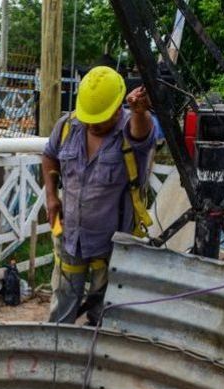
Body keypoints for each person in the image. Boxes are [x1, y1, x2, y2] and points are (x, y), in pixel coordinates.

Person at [43, 65, 155, 325]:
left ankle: (95, 356)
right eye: (88, 118)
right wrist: (51, 195)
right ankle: (57, 355)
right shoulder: (68, 126)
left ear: (118, 108)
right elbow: (49, 156)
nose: (92, 124)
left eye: (99, 118)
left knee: (103, 313)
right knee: (62, 305)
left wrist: (141, 112)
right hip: (71, 237)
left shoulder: (131, 130)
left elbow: (143, 134)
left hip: (111, 246)